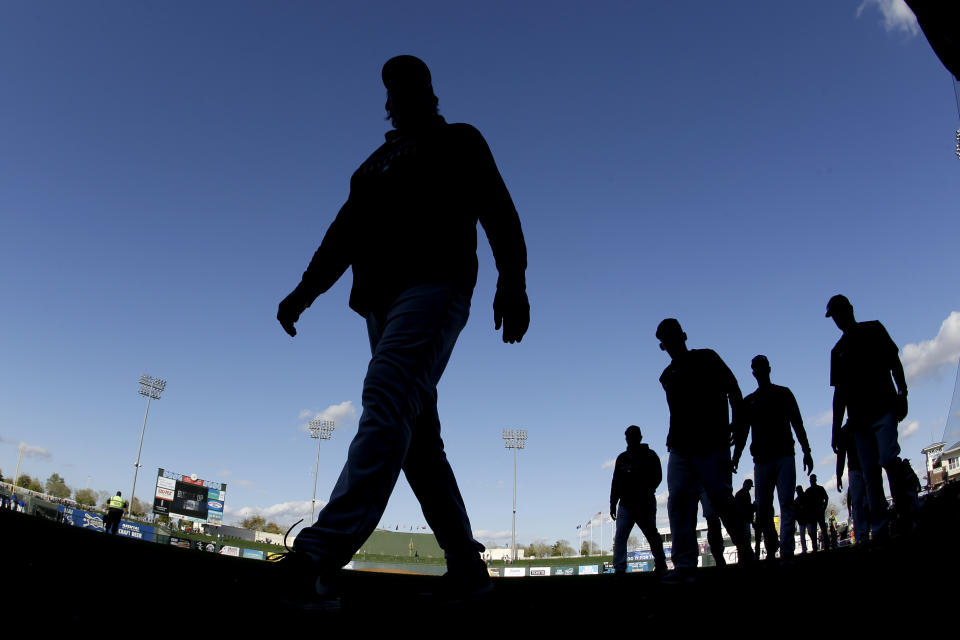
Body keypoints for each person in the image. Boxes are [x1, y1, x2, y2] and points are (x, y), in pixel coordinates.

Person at [276, 55, 529, 609]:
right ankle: (467, 567)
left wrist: (513, 280)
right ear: (386, 99)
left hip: (436, 287)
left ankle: (317, 556)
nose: (397, 93)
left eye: (408, 83)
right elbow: (342, 234)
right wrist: (304, 291)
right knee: (417, 444)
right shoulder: (371, 166)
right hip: (379, 305)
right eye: (390, 86)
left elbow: (498, 210)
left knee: (387, 398)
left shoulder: (459, 139)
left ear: (429, 91)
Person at [655, 318, 753, 581]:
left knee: (721, 497)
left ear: (683, 336)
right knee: (678, 501)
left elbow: (733, 389)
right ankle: (684, 565)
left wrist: (739, 421)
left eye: (673, 336)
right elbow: (677, 411)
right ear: (663, 346)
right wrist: (671, 436)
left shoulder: (708, 358)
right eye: (666, 339)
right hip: (681, 447)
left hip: (710, 441)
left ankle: (745, 549)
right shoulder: (667, 376)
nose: (670, 343)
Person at [826, 294, 917, 539]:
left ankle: (905, 515)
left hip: (883, 409)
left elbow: (894, 361)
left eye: (838, 313)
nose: (837, 319)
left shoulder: (874, 329)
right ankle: (880, 530)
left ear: (850, 310)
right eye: (834, 316)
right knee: (871, 476)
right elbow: (839, 394)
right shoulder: (838, 351)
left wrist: (903, 391)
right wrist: (836, 428)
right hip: (859, 421)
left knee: (888, 458)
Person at [733, 355, 814, 559]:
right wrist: (806, 451)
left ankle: (781, 549)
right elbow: (742, 434)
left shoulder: (763, 398)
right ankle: (777, 548)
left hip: (777, 457)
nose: (759, 371)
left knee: (776, 504)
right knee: (770, 506)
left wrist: (806, 451)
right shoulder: (772, 396)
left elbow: (797, 423)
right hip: (771, 457)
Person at [609, 425, 667, 575]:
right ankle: (620, 568)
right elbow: (615, 482)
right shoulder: (622, 458)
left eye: (633, 436)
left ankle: (661, 563)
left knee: (651, 534)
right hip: (626, 504)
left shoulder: (650, 455)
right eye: (628, 436)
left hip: (644, 502)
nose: (630, 439)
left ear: (640, 437)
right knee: (621, 536)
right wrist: (613, 503)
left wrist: (648, 489)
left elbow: (658, 476)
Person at [835, 423, 870, 545]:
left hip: (857, 467)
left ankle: (862, 535)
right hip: (863, 465)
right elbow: (841, 454)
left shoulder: (845, 430)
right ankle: (868, 533)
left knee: (858, 503)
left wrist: (839, 475)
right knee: (864, 500)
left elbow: (841, 455)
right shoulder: (864, 424)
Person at [806, 475, 828, 551]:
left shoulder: (809, 491)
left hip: (814, 512)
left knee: (815, 530)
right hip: (817, 511)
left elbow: (806, 504)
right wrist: (824, 507)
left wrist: (824, 507)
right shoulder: (820, 488)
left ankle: (815, 547)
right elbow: (826, 498)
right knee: (822, 529)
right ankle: (825, 545)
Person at [734, 479, 755, 548]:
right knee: (745, 537)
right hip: (744, 519)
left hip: (742, 519)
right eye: (749, 486)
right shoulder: (744, 494)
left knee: (744, 538)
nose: (750, 488)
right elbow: (746, 507)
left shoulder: (740, 493)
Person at [795, 485, 809, 554]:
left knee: (803, 535)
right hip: (804, 520)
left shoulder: (797, 500)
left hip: (803, 520)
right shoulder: (805, 497)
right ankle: (806, 548)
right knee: (808, 534)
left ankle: (804, 549)